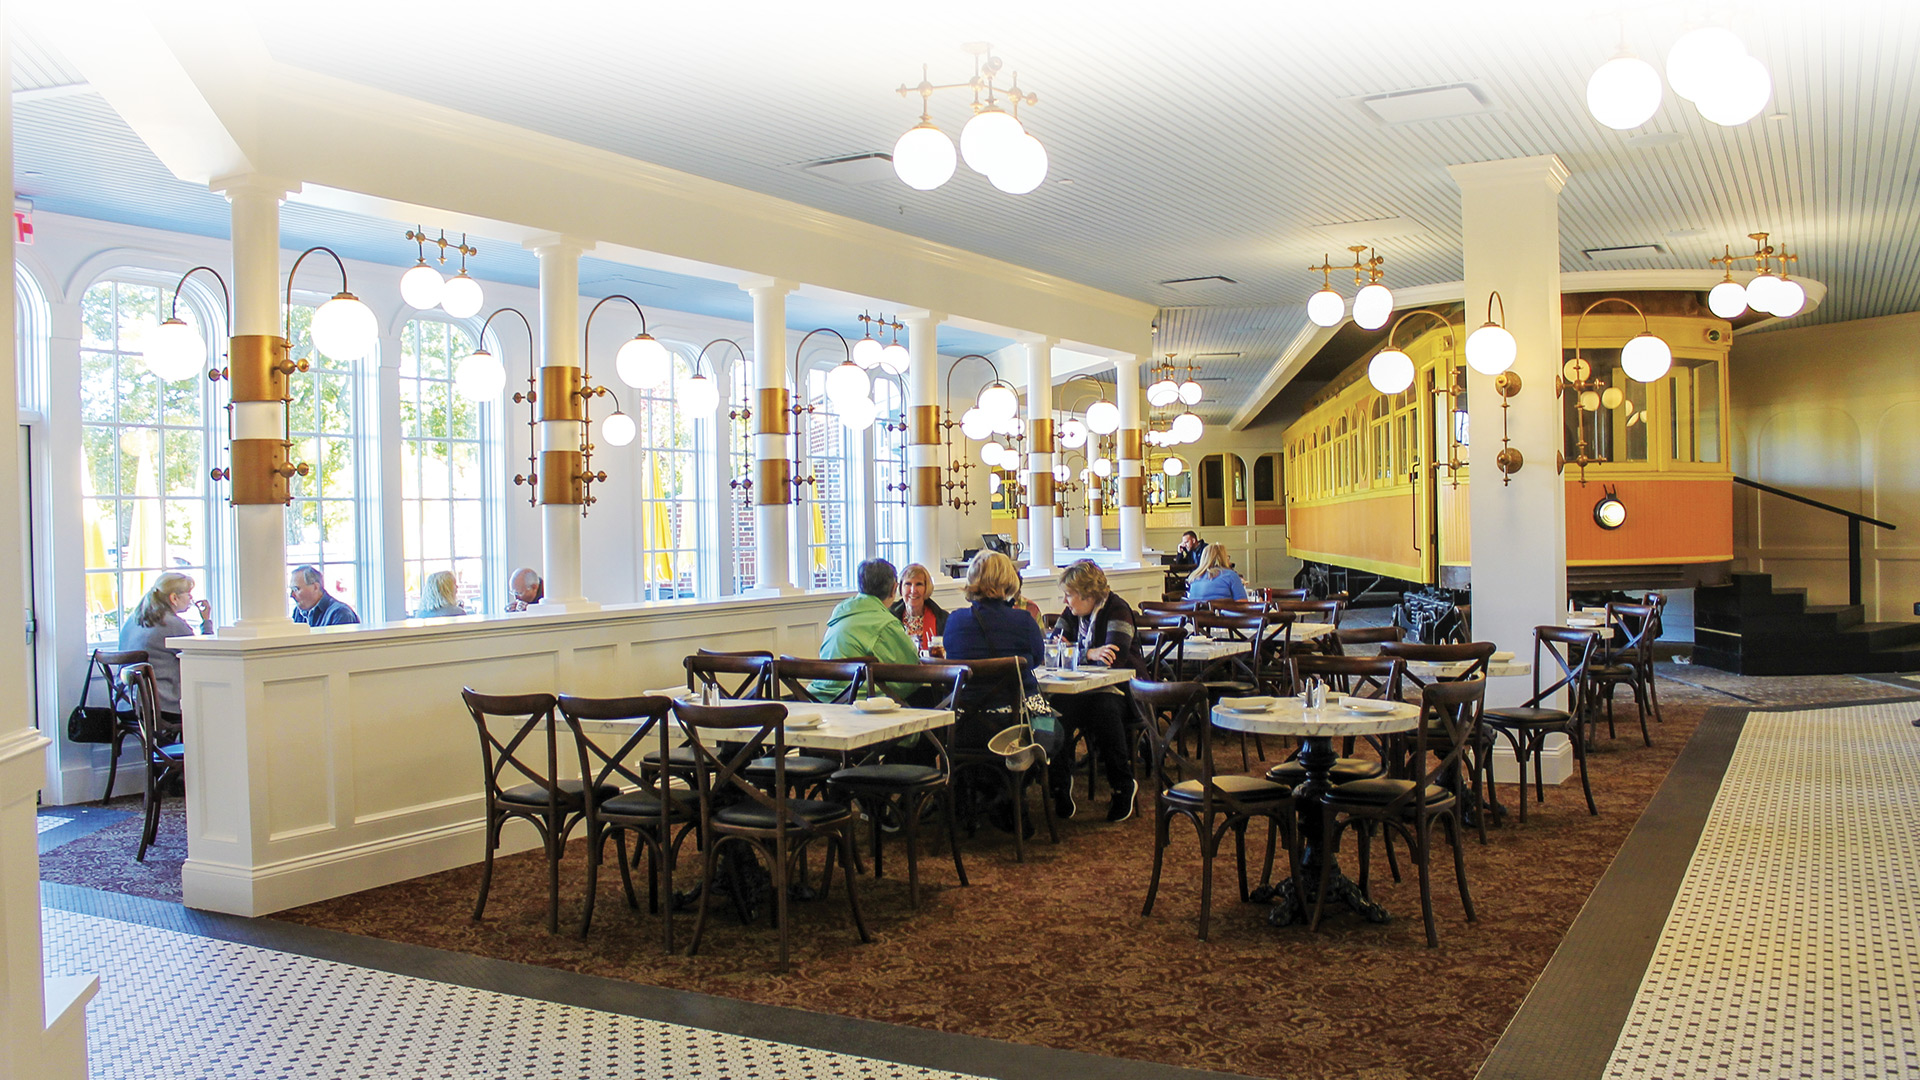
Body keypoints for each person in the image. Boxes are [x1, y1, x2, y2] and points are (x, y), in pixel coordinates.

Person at [1049, 560, 1140, 822]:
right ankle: (1060, 786)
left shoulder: (1117, 609)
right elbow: (1054, 650)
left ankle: (1122, 785)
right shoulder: (1072, 612)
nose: (1065, 601)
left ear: (1087, 594)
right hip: (1079, 690)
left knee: (1104, 710)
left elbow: (1114, 659)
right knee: (1057, 712)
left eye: (1069, 595)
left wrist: (1074, 651)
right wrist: (1088, 652)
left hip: (1122, 690)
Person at [942, 550, 1046, 744]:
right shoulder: (1023, 620)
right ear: (1009, 580)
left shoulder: (954, 620)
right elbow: (1037, 659)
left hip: (962, 724)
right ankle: (1038, 771)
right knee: (1056, 732)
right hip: (1014, 725)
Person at [814, 558, 922, 702]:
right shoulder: (886, 624)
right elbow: (912, 674)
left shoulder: (840, 614)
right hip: (859, 704)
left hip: (816, 699)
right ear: (894, 588)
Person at [117, 572, 211, 726]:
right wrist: (206, 621)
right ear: (174, 598)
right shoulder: (171, 624)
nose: (191, 599)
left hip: (126, 703)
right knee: (216, 706)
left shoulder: (133, 620)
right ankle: (201, 750)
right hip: (159, 706)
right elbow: (203, 656)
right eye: (188, 594)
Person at [889, 562, 949, 655]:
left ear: (926, 588)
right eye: (908, 584)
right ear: (900, 588)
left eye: (919, 584)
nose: (913, 590)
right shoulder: (889, 616)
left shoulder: (942, 619)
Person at [289, 565, 360, 627]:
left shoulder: (340, 613)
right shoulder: (298, 612)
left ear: (315, 587)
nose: (291, 595)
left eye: (296, 589)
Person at [1185, 543, 1249, 603]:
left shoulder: (1194, 577)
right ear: (1223, 557)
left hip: (1197, 614)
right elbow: (1242, 603)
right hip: (1222, 614)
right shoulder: (1231, 575)